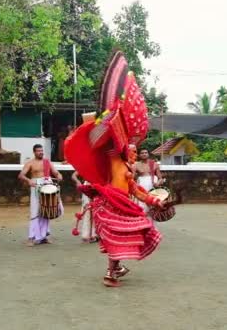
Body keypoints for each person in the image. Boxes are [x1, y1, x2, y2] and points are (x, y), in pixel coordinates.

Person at [64, 51, 174, 287]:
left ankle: (115, 269)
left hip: (122, 205)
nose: (135, 152)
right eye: (132, 149)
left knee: (131, 233)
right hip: (111, 204)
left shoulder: (126, 166)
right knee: (121, 237)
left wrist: (157, 202)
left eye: (137, 150)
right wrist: (116, 111)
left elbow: (135, 190)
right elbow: (111, 137)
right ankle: (111, 274)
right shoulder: (115, 157)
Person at [18, 144, 63, 246]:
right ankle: (31, 237)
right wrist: (29, 180)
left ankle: (44, 236)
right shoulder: (30, 163)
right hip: (36, 186)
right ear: (34, 152)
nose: (41, 152)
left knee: (47, 209)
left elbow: (56, 173)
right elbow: (21, 175)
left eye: (42, 150)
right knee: (35, 211)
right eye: (38, 151)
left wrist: (59, 175)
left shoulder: (47, 162)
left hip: (48, 185)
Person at [71, 171, 97, 243]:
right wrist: (77, 181)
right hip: (87, 187)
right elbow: (74, 175)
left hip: (98, 187)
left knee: (97, 210)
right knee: (87, 210)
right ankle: (86, 235)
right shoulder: (86, 164)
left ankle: (95, 234)